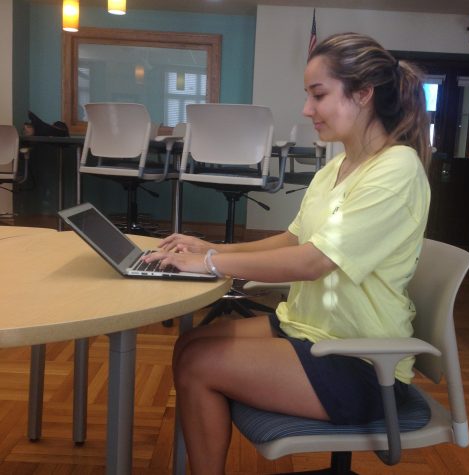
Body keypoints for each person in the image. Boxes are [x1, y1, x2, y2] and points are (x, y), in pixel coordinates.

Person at [143, 32, 431, 474]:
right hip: (313, 332)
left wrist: (209, 264)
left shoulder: (397, 169)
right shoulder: (338, 165)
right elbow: (295, 238)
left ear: (364, 93)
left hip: (363, 362)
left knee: (200, 364)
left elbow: (313, 262)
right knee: (189, 346)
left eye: (318, 95)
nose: (306, 109)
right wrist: (213, 246)